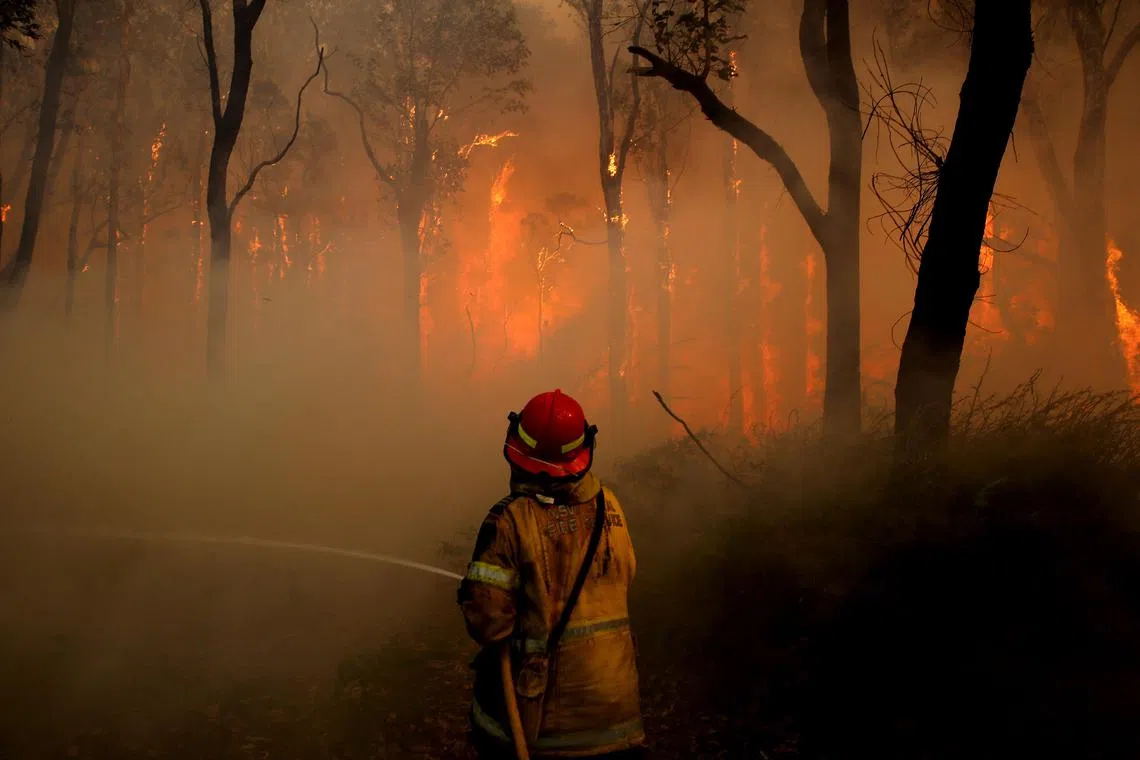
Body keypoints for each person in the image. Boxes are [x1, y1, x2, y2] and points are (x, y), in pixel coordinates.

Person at [457, 389, 646, 759]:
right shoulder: (612, 507)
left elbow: (489, 623)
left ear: (516, 450)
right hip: (617, 714)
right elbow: (626, 574)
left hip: (540, 725)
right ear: (584, 448)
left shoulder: (509, 520)